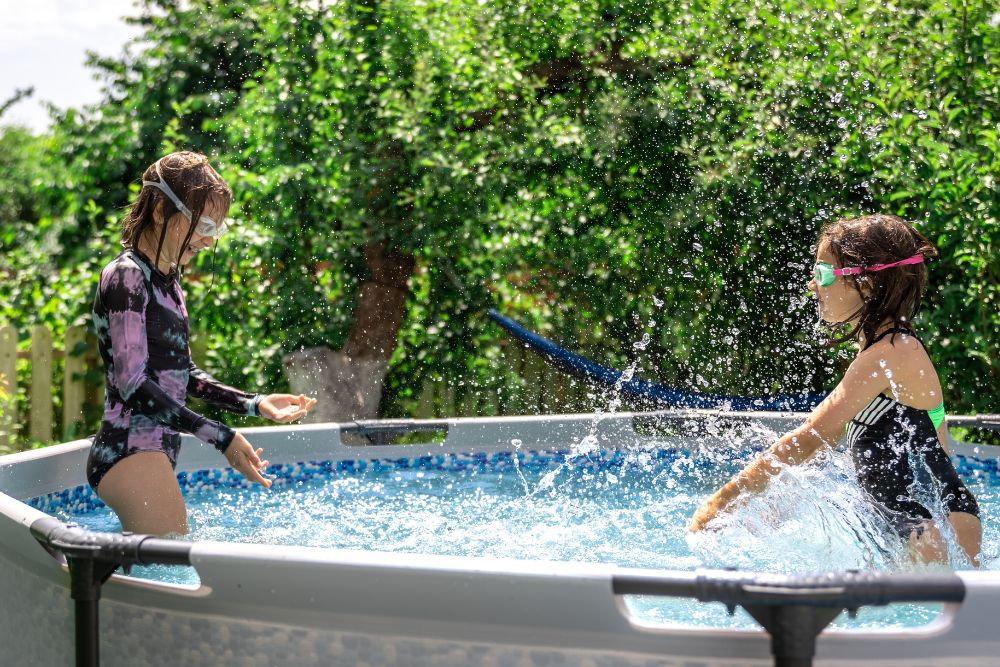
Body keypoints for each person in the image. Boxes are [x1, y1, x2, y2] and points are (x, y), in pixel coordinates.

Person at [689, 214, 981, 566]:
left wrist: (719, 504)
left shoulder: (895, 351)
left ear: (867, 285)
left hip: (926, 533)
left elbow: (811, 437)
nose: (813, 286)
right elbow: (933, 436)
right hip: (917, 527)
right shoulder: (884, 351)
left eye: (823, 274)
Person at [87, 151, 317, 536]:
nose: (209, 240)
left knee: (159, 574)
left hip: (154, 450)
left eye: (217, 229)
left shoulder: (170, 285)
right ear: (160, 209)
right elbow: (131, 383)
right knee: (173, 569)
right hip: (127, 448)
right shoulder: (126, 276)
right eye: (204, 224)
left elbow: (184, 375)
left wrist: (254, 403)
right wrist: (220, 436)